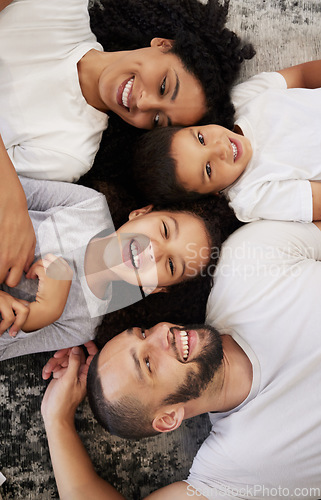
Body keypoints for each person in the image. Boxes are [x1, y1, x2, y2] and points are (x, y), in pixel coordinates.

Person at [41, 218, 321, 499]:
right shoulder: (235, 468)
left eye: (142, 333)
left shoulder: (245, 264)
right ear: (168, 418)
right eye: (148, 364)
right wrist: (56, 420)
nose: (162, 333)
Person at [0, 0, 254, 290]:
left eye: (158, 119)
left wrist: (12, 198)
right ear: (163, 45)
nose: (143, 102)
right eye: (163, 86)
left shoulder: (70, 153)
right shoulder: (62, 9)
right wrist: (12, 200)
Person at [0, 171, 225, 361]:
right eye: (165, 230)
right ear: (140, 213)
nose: (154, 250)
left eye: (170, 264)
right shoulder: (87, 206)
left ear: (157, 288)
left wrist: (45, 312)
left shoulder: (82, 325)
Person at [133, 60, 321, 223]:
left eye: (201, 138)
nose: (219, 149)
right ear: (212, 193)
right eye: (208, 169)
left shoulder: (239, 102)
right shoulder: (250, 196)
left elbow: (301, 76)